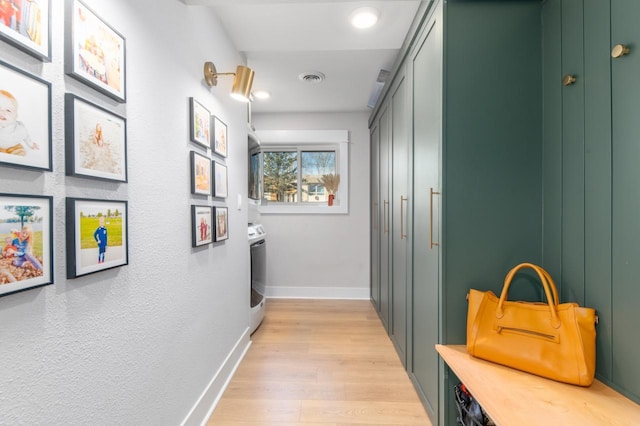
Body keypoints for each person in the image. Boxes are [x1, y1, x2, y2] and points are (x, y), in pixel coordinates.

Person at [0, 89, 39, 156]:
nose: (2, 112)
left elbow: (26, 136)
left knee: (20, 151)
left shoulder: (19, 128)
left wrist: (31, 144)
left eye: (8, 110)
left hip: (12, 145)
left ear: (16, 116)